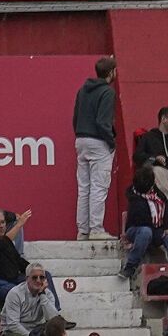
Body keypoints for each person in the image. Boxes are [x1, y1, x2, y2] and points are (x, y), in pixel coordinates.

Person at [71, 58, 117, 242]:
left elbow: (75, 117)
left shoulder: (83, 90)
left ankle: (82, 231)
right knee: (99, 186)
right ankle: (96, 229)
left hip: (81, 139)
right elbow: (103, 121)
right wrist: (111, 140)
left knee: (84, 188)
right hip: (99, 141)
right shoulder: (107, 92)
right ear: (111, 72)